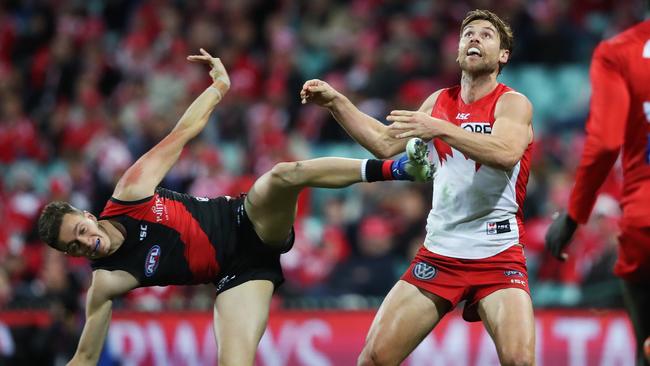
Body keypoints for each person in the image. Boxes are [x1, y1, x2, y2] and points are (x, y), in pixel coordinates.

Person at [36, 49, 434, 366]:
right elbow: (84, 358)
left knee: (282, 174)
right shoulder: (105, 282)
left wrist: (218, 87)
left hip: (250, 219)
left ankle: (398, 167)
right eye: (73, 247)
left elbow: (183, 132)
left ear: (88, 216)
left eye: (80, 231)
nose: (85, 243)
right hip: (238, 275)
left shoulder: (129, 193)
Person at [301, 9, 535, 366]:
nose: (474, 38)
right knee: (373, 359)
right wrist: (336, 102)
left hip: (498, 251)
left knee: (520, 362)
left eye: (487, 35)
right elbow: (382, 142)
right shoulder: (438, 102)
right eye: (468, 33)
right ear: (457, 51)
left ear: (503, 55)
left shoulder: (512, 103)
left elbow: (505, 153)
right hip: (440, 251)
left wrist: (440, 129)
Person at [545, 16, 650, 366]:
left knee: (645, 347)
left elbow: (605, 144)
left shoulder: (618, 52)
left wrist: (575, 216)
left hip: (644, 219)